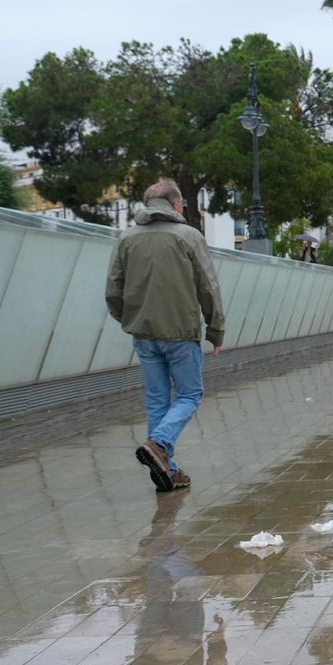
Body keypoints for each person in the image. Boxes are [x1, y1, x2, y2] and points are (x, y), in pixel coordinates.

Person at [106, 179, 225, 492]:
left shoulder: (127, 238)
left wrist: (128, 319)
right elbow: (208, 287)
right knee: (189, 395)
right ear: (175, 204)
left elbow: (113, 289)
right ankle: (159, 444)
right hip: (180, 333)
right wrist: (216, 330)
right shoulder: (188, 236)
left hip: (143, 335)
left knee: (158, 400)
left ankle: (167, 471)